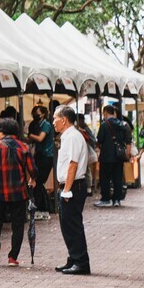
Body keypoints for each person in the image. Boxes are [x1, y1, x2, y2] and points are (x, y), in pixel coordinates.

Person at [0, 118, 37, 267]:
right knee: (18, 224)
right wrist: (32, 179)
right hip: (18, 192)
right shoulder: (24, 147)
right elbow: (33, 170)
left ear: (1, 132)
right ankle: (13, 257)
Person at [53, 106, 91, 275]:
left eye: (55, 118)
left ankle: (81, 262)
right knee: (67, 225)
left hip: (73, 186)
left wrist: (67, 190)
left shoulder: (73, 136)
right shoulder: (68, 136)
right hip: (70, 185)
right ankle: (74, 258)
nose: (53, 122)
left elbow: (73, 164)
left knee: (72, 225)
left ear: (64, 120)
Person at [94, 105, 130, 207]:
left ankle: (105, 199)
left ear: (105, 112)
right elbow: (127, 139)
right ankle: (116, 199)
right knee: (117, 178)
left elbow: (100, 139)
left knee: (105, 178)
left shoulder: (104, 125)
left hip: (106, 156)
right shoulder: (122, 124)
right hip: (119, 156)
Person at [27, 105, 55, 220]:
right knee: (38, 183)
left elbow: (40, 138)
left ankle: (42, 209)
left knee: (38, 182)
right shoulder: (37, 125)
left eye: (37, 113)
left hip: (46, 156)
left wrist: (29, 135)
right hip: (39, 155)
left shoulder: (46, 125)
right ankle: (42, 209)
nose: (35, 115)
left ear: (43, 114)